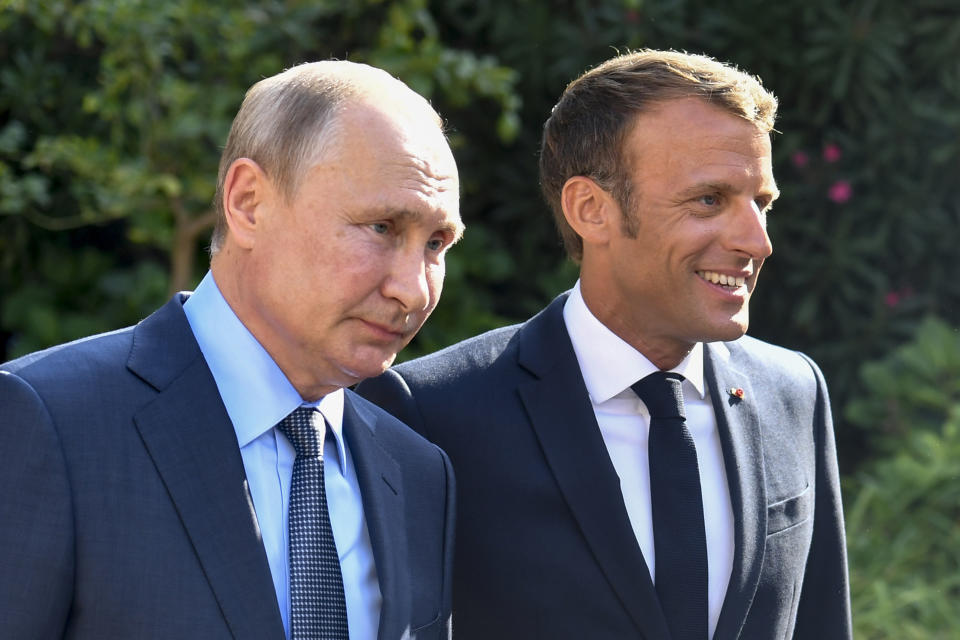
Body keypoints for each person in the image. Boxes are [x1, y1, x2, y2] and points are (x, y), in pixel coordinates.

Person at [358, 50, 852, 639]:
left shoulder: (794, 391)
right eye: (709, 200)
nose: (758, 241)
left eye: (762, 204)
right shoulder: (430, 413)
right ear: (591, 209)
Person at [0, 60, 463, 640]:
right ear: (248, 203)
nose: (414, 288)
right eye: (382, 228)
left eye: (437, 243)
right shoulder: (48, 422)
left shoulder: (419, 473)